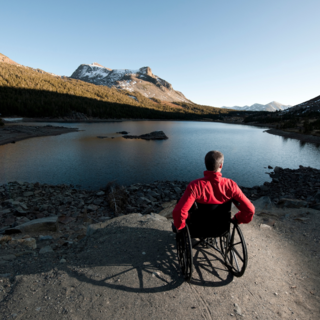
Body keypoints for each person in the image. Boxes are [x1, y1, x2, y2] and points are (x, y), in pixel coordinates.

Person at [172, 150, 255, 231]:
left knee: (182, 203)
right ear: (221, 165)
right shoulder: (231, 185)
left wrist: (180, 225)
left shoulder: (195, 186)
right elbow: (250, 210)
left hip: (198, 226)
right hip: (221, 227)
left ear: (205, 164)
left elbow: (180, 212)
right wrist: (237, 219)